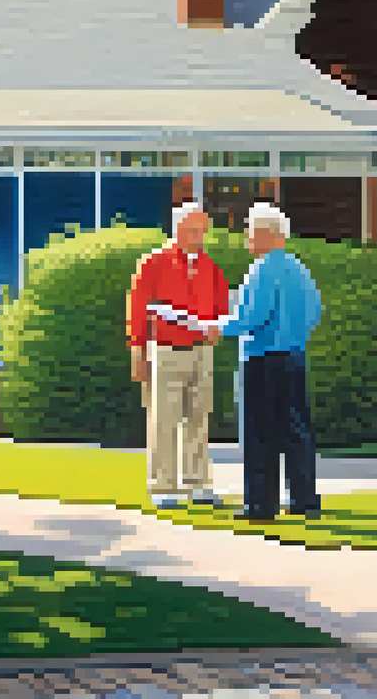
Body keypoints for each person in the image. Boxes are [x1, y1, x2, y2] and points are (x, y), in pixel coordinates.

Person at [204, 202, 323, 521]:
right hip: (294, 356)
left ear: (267, 234)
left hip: (262, 357)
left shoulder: (262, 269)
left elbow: (252, 316)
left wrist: (219, 327)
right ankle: (304, 501)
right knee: (296, 430)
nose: (245, 236)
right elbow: (314, 313)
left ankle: (260, 505)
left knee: (259, 434)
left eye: (250, 230)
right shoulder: (299, 268)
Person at [127, 201, 231, 510]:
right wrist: (137, 350)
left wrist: (219, 326)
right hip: (166, 350)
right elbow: (137, 309)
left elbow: (222, 304)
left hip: (202, 351)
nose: (200, 236)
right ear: (179, 229)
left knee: (199, 418)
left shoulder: (210, 266)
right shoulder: (153, 263)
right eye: (194, 230)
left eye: (203, 230)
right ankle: (162, 486)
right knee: (164, 419)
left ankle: (198, 484)